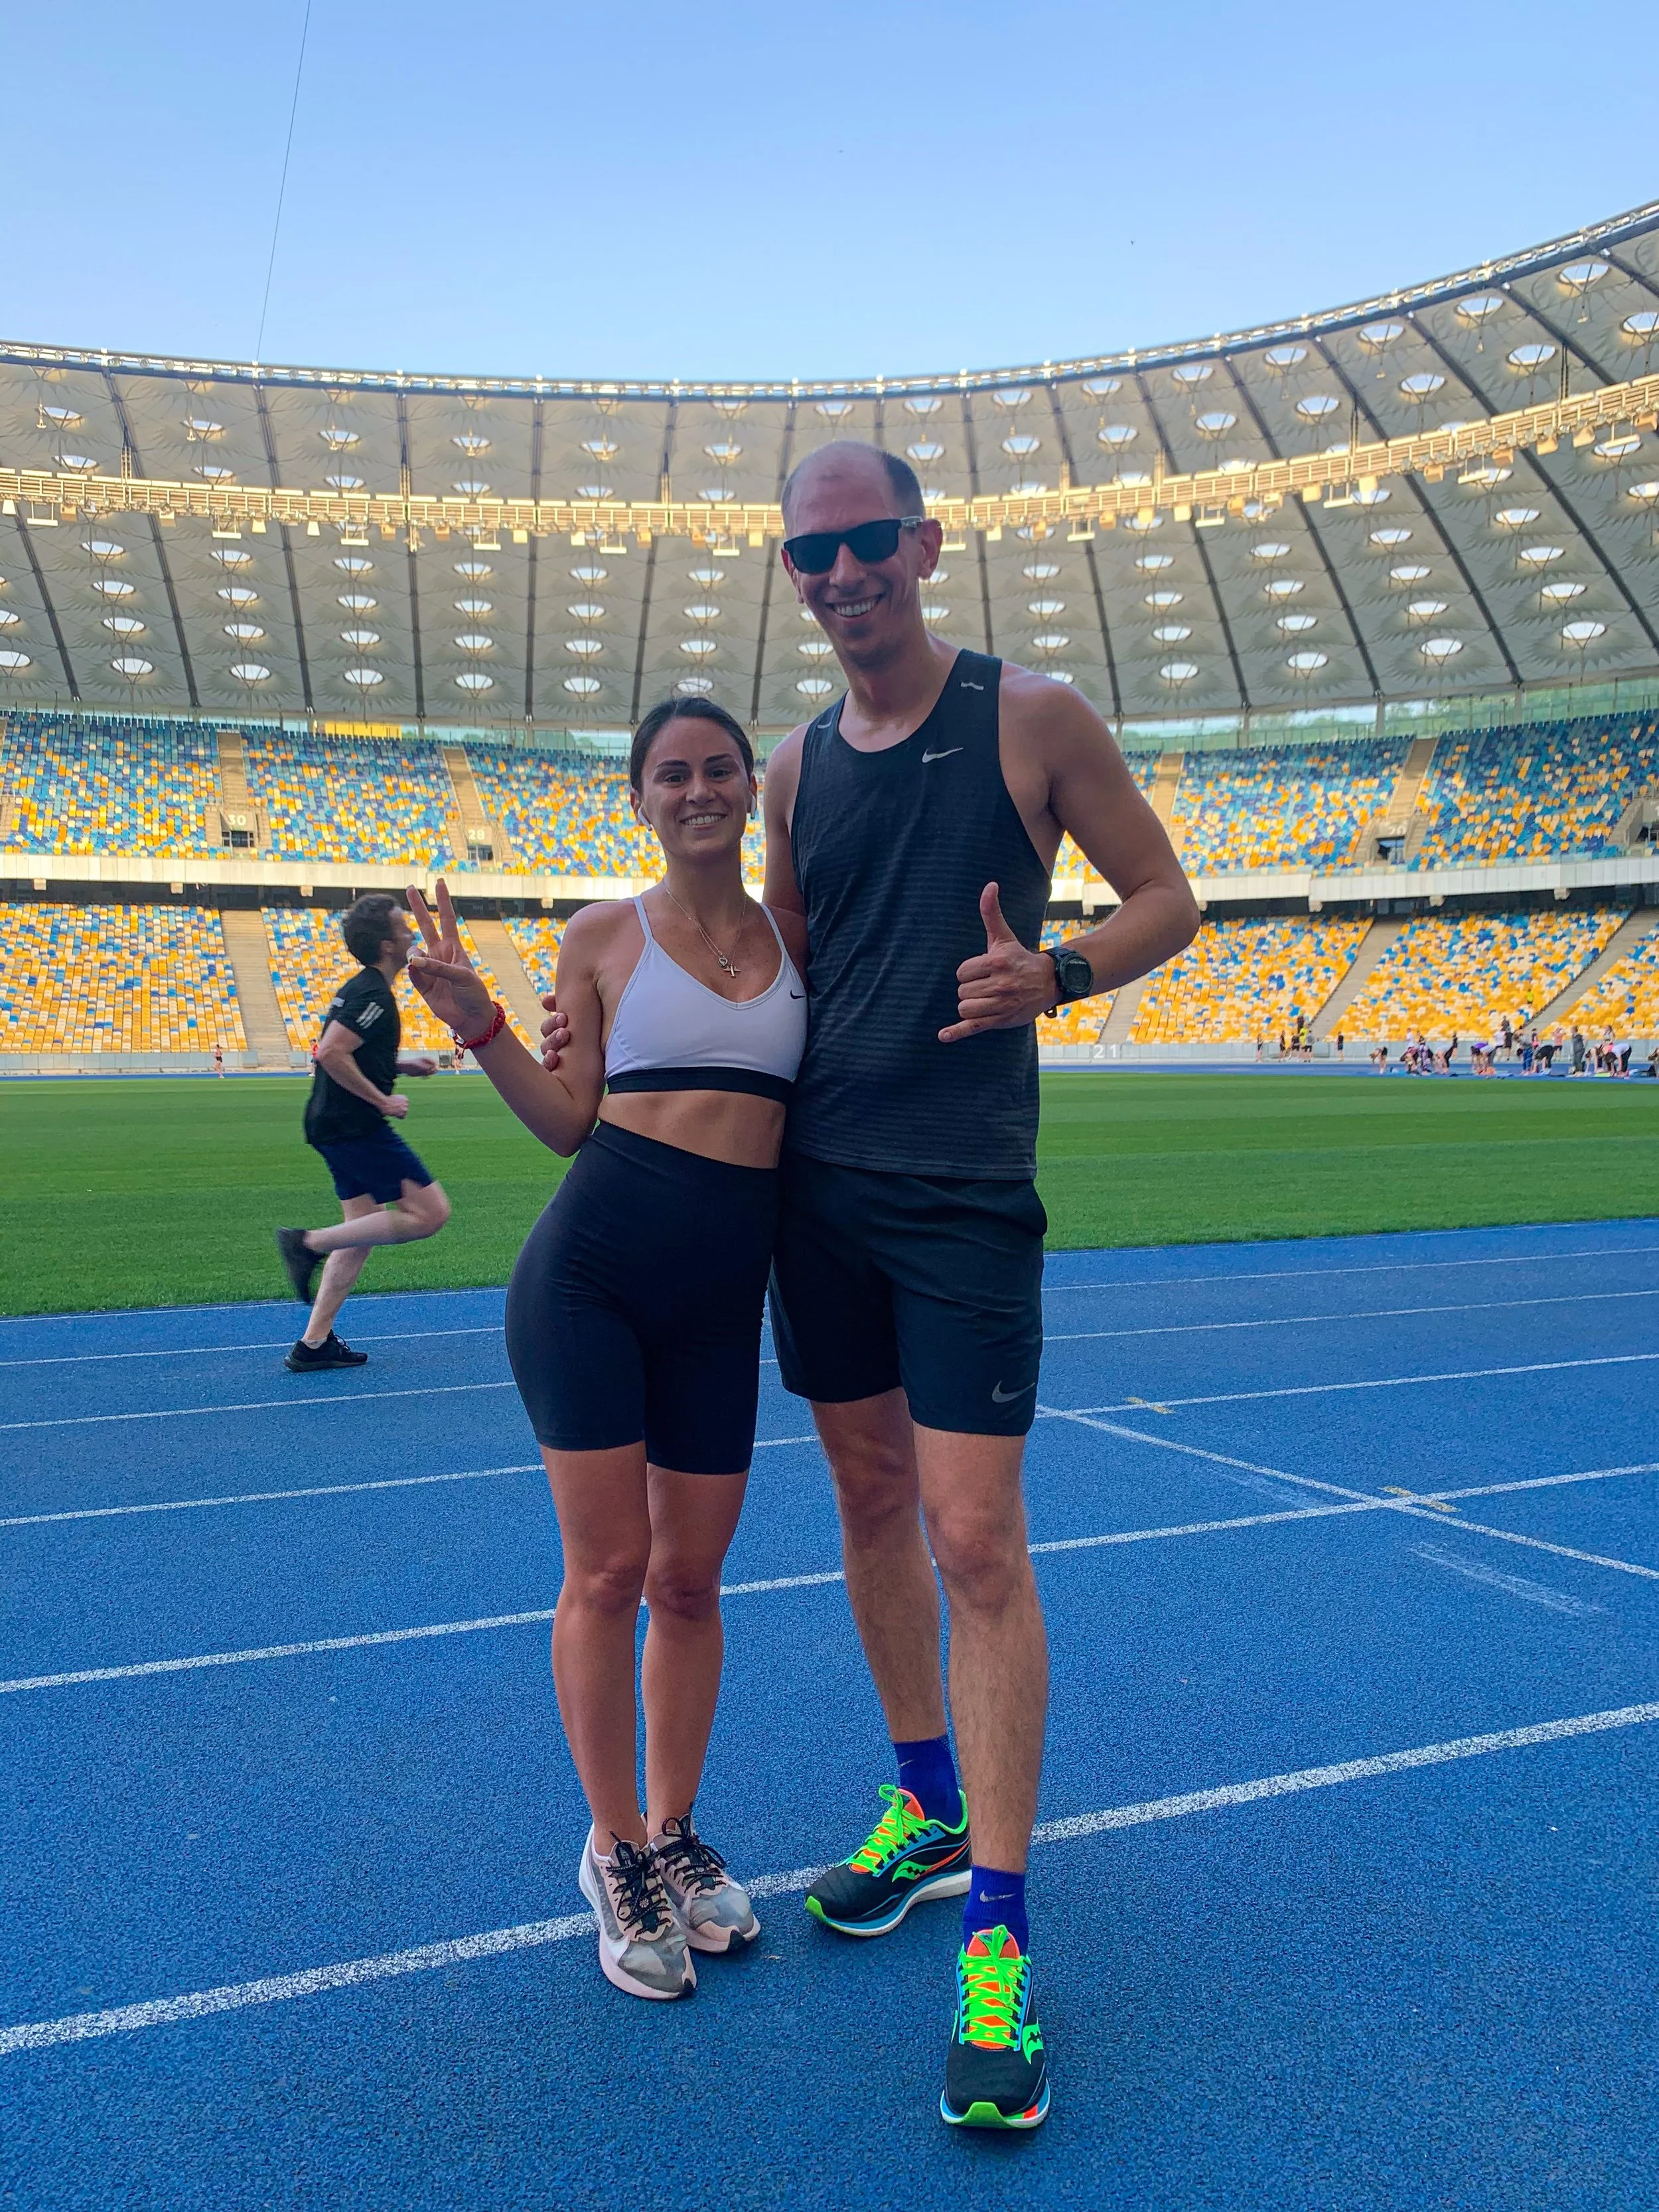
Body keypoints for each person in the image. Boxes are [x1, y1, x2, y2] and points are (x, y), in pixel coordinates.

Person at [733, 441, 1195, 2129]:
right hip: (819, 1197)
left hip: (965, 1200)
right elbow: (774, 963)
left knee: (975, 1541)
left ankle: (995, 1935)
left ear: (923, 545)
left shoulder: (1033, 714)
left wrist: (1055, 974)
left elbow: (1171, 896)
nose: (845, 573)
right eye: (812, 554)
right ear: (791, 575)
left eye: (868, 543)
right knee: (864, 1498)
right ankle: (921, 1800)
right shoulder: (790, 765)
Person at [409, 698, 807, 2006]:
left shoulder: (799, 937)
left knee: (690, 1580)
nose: (696, 789)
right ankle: (614, 1847)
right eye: (669, 773)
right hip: (587, 1280)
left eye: (716, 769)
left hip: (717, 1299)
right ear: (638, 796)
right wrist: (479, 1022)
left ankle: (677, 1832)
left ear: (750, 789)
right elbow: (565, 1124)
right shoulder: (600, 935)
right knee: (609, 1569)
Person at [273, 895, 448, 1370]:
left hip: (332, 1124)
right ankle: (305, 1242)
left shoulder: (361, 988)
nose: (412, 932)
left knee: (361, 1233)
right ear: (388, 944)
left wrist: (401, 1065)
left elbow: (350, 1050)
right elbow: (330, 1053)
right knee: (430, 1213)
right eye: (403, 927)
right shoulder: (373, 994)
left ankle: (313, 1344)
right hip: (354, 1126)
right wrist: (383, 1100)